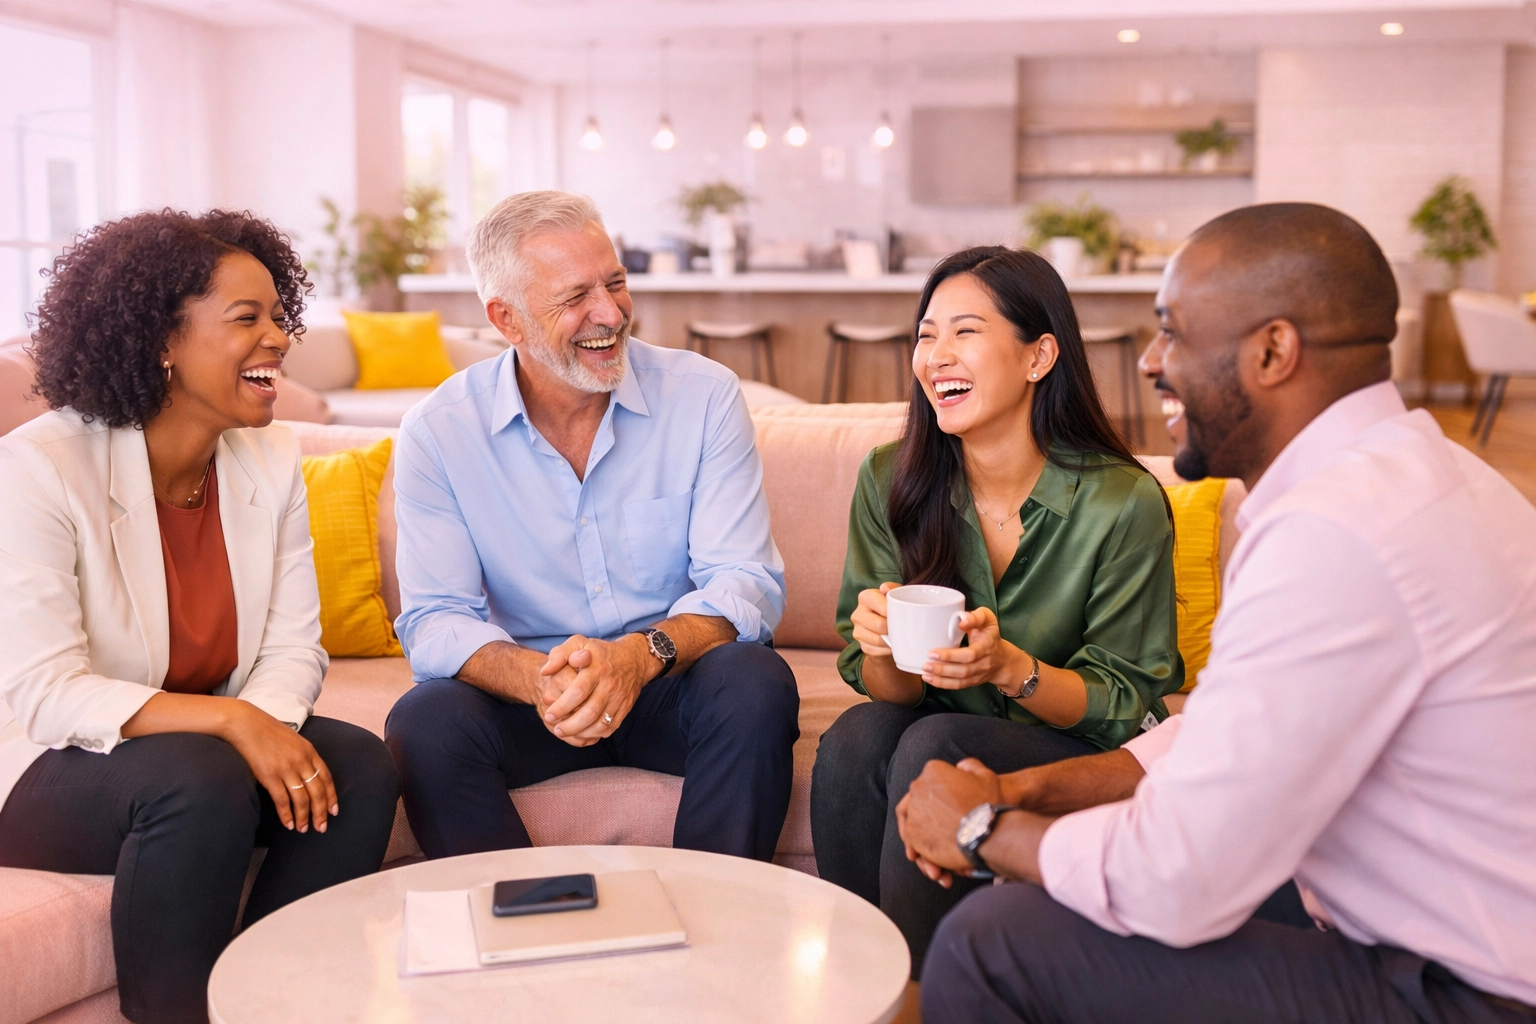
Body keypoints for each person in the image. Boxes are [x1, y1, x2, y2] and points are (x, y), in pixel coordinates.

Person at [899, 203, 1536, 1023]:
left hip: (1474, 995)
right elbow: (1215, 737)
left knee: (994, 941)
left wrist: (983, 828)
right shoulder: (1433, 474)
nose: (1152, 363)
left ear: (1272, 350)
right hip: (1455, 949)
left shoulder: (1334, 534)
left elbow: (1176, 876)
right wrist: (1032, 789)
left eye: (1175, 332)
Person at [0, 210, 401, 1024]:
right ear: (163, 341)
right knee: (200, 776)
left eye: (278, 316)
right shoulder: (39, 468)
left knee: (360, 766)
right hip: (45, 761)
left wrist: (255, 724)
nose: (280, 338)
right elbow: (43, 691)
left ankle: (270, 998)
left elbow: (295, 648)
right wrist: (230, 725)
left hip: (194, 749)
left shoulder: (274, 456)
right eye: (245, 319)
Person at [383, 191, 798, 862]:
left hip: (667, 676)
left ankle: (723, 922)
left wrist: (637, 659)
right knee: (424, 723)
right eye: (575, 297)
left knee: (754, 681)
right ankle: (519, 929)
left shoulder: (704, 396)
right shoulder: (438, 433)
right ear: (507, 320)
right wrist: (538, 680)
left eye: (616, 283)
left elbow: (744, 580)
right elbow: (435, 618)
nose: (610, 313)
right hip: (536, 695)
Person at [810, 246, 1183, 974]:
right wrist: (883, 650)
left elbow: (1121, 703)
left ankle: (925, 991)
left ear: (1039, 356)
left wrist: (1012, 668)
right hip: (939, 719)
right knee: (857, 738)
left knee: (937, 744)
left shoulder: (1121, 502)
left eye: (966, 332)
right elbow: (891, 693)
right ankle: (861, 979)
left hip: (1078, 743)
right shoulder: (892, 477)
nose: (936, 355)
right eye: (925, 334)